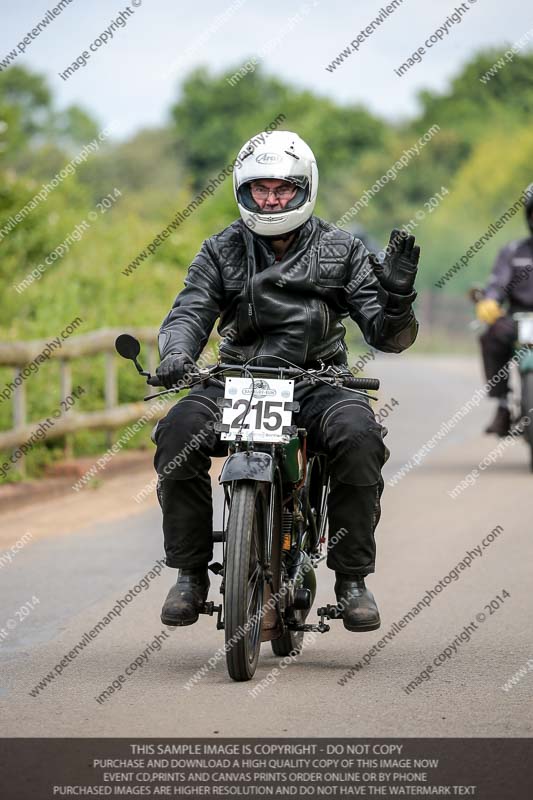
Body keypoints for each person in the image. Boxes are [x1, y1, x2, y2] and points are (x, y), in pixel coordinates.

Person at [153, 130, 420, 633]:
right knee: (177, 431)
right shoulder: (221, 250)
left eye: (282, 189)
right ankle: (190, 575)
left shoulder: (342, 249)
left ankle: (352, 580)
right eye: (261, 189)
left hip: (317, 381)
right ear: (243, 191)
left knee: (360, 436)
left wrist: (399, 298)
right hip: (237, 381)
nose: (271, 199)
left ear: (304, 190)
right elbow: (189, 312)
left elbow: (389, 337)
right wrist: (177, 353)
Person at [477, 185, 533, 436]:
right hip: (517, 318)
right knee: (491, 333)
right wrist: (490, 300)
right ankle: (502, 406)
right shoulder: (513, 252)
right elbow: (497, 284)